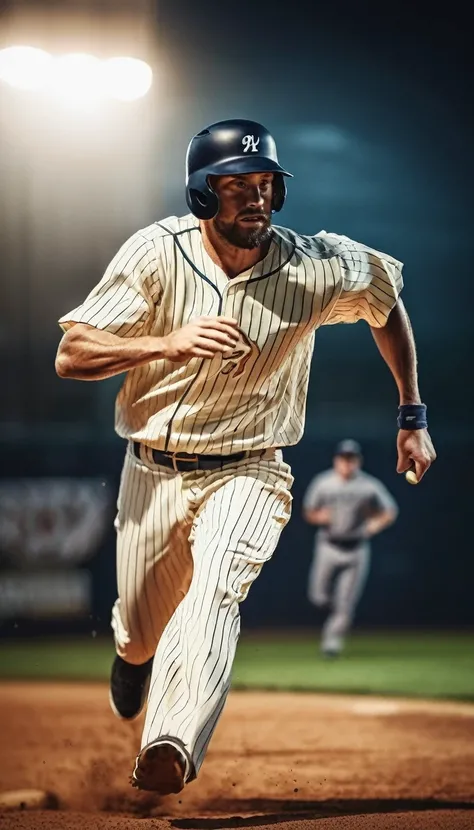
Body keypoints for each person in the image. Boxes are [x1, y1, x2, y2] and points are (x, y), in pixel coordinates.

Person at [55, 119, 436, 795]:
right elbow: (73, 353)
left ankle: (171, 740)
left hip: (251, 469)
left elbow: (386, 301)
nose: (256, 199)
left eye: (266, 186)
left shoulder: (316, 264)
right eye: (237, 187)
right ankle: (132, 656)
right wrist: (165, 343)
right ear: (203, 194)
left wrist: (411, 414)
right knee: (142, 628)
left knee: (215, 591)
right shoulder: (155, 252)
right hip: (152, 471)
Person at [303, 439, 398, 657]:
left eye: (351, 459)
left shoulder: (369, 485)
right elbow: (308, 510)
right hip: (328, 545)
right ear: (337, 461)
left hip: (357, 548)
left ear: (358, 461)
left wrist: (376, 524)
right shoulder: (324, 483)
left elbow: (390, 510)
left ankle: (331, 642)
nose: (347, 463)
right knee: (317, 596)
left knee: (346, 603)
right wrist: (319, 516)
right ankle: (331, 612)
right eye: (344, 459)